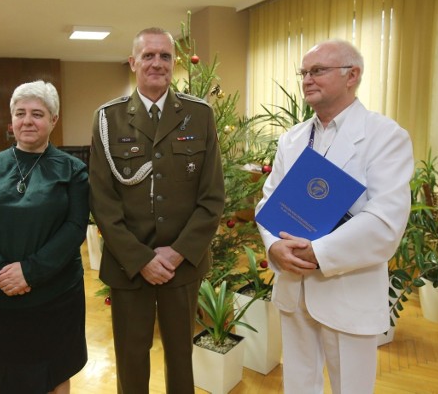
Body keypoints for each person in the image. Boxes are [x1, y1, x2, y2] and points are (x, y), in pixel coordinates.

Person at [255, 39, 413, 394]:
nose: (307, 79)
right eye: (304, 73)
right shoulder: (292, 140)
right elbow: (268, 202)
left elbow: (385, 220)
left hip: (347, 287)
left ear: (352, 75)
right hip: (294, 285)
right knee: (298, 382)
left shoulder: (385, 137)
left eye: (318, 71)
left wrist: (319, 253)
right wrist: (274, 249)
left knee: (351, 388)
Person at [89, 27, 225, 394]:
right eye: (148, 55)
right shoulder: (108, 119)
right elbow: (102, 201)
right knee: (131, 356)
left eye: (165, 56)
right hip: (128, 264)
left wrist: (177, 252)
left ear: (173, 63)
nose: (157, 63)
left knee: (181, 354)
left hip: (182, 264)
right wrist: (141, 258)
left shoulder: (199, 116)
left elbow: (212, 197)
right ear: (133, 63)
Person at [0, 80, 89, 394]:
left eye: (38, 114)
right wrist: (3, 272)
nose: (28, 120)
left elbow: (74, 228)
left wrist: (29, 271)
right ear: (11, 121)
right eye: (21, 113)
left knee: (55, 372)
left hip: (55, 295)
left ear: (53, 120)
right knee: (3, 374)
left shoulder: (73, 170)